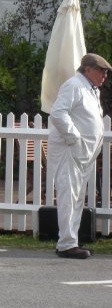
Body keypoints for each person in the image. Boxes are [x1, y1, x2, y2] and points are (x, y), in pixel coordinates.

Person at [47, 53, 111, 259]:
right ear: (88, 69)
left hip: (81, 154)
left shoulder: (90, 89)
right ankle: (66, 244)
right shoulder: (74, 85)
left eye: (106, 72)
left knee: (76, 197)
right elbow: (58, 113)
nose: (105, 75)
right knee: (69, 195)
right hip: (70, 151)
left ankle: (70, 240)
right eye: (101, 71)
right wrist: (74, 138)